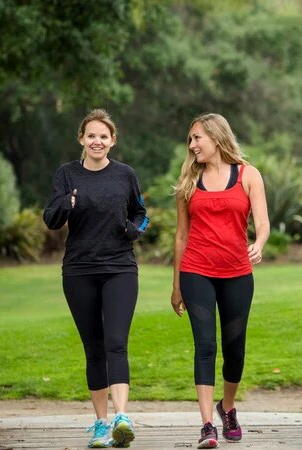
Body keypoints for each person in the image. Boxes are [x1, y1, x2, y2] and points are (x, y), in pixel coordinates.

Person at [43, 109, 148, 448]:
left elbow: (142, 214)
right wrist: (67, 204)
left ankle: (121, 418)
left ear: (112, 141)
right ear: (82, 140)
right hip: (79, 271)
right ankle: (101, 425)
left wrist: (133, 230)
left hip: (119, 268)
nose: (97, 141)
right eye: (91, 136)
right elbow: (51, 219)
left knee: (116, 342)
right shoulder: (66, 174)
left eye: (104, 136)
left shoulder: (125, 175)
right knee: (94, 348)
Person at [170, 113, 270, 449]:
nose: (192, 145)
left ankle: (227, 408)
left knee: (234, 349)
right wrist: (176, 285)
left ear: (216, 137)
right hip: (197, 270)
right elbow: (181, 235)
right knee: (205, 345)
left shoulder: (248, 175)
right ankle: (206, 425)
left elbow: (263, 222)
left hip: (238, 273)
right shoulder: (188, 179)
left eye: (197, 138)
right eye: (191, 139)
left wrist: (259, 243)